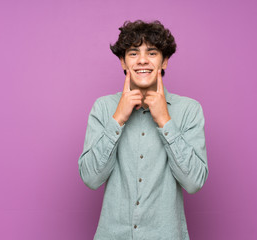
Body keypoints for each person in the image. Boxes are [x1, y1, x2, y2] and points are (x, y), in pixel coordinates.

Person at [78, 20, 209, 240]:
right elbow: (91, 178)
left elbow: (194, 182)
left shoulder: (189, 110)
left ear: (164, 61)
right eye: (132, 53)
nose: (142, 60)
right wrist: (118, 118)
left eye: (152, 52)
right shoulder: (103, 108)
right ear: (122, 62)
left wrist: (165, 120)